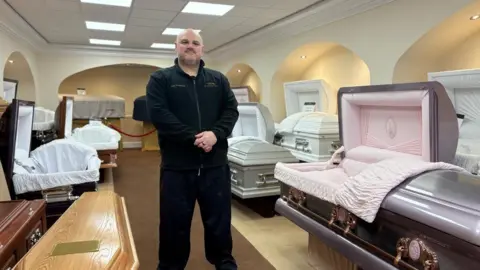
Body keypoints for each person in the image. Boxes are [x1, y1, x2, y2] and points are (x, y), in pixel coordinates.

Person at [146, 28, 239, 270]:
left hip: (215, 167)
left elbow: (231, 112)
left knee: (219, 223)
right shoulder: (161, 79)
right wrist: (195, 138)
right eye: (184, 42)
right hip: (177, 168)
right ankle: (170, 266)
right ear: (176, 47)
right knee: (173, 224)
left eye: (195, 42)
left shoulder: (218, 80)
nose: (190, 46)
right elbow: (160, 115)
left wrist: (215, 135)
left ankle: (224, 263)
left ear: (202, 48)